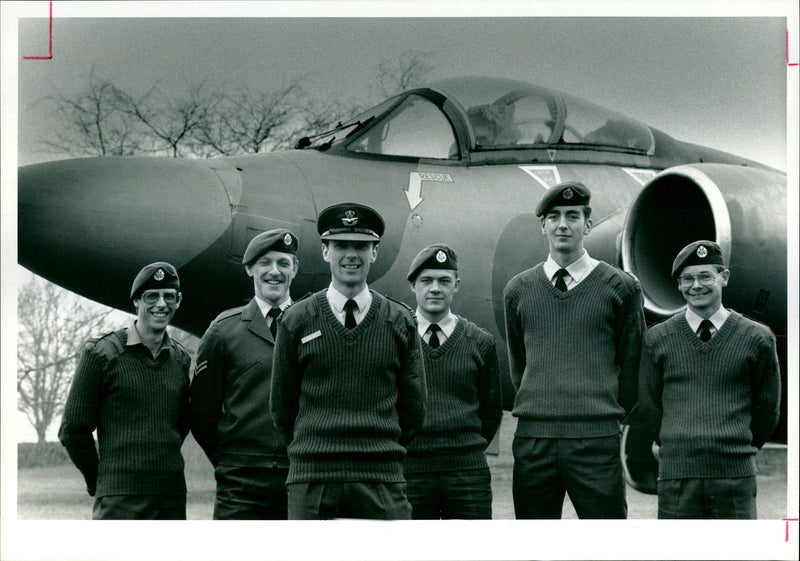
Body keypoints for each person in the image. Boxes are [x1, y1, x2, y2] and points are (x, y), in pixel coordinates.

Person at [270, 202, 426, 520]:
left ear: (375, 253)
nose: (351, 255)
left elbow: (414, 409)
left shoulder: (399, 321)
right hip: (312, 477)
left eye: (361, 246)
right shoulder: (296, 319)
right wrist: (316, 447)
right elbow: (281, 406)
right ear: (326, 251)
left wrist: (378, 448)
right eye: (341, 245)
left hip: (380, 476)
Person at [503, 181, 645, 519]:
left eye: (572, 216)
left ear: (588, 224)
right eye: (554, 217)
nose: (563, 225)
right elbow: (519, 367)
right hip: (534, 440)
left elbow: (634, 363)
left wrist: (602, 416)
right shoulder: (519, 290)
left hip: (595, 440)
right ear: (543, 225)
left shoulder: (620, 287)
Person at [638, 240, 781, 519]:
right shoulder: (657, 339)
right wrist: (678, 447)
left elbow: (768, 410)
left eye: (706, 276)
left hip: (735, 478)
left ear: (724, 277)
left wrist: (735, 449)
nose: (696, 285)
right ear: (678, 284)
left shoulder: (757, 338)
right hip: (677, 479)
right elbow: (649, 405)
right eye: (687, 279)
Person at [58, 262, 191, 520]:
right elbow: (73, 429)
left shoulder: (181, 359)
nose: (161, 304)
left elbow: (179, 424)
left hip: (172, 499)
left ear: (178, 301)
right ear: (136, 302)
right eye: (152, 296)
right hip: (119, 500)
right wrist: (101, 481)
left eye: (169, 296)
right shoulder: (100, 353)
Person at [190, 229, 299, 519]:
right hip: (240, 485)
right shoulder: (223, 330)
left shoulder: (314, 324)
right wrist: (232, 461)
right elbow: (202, 414)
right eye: (265, 263)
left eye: (283, 263)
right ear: (250, 268)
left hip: (301, 479)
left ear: (295, 269)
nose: (274, 272)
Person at [403, 243, 502, 519]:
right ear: (413, 285)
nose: (435, 288)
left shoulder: (480, 342)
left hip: (467, 476)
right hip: (411, 473)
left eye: (444, 281)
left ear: (456, 285)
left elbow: (491, 410)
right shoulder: (397, 339)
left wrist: (463, 448)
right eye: (426, 281)